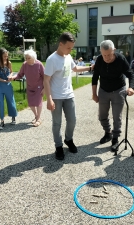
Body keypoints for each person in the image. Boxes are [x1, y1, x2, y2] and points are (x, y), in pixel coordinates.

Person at [44, 32, 93, 160]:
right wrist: (49, 99)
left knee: (72, 120)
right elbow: (46, 80)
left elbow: (75, 68)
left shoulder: (68, 56)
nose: (70, 50)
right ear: (61, 44)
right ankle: (58, 146)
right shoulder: (52, 59)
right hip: (56, 96)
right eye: (68, 47)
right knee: (57, 123)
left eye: (72, 48)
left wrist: (90, 68)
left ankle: (68, 139)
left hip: (69, 95)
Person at [92, 40, 134, 151]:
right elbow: (95, 77)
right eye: (104, 55)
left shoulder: (120, 59)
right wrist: (94, 94)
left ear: (114, 50)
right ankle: (108, 133)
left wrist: (131, 87)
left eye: (109, 55)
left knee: (117, 117)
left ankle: (115, 138)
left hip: (118, 90)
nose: (106, 58)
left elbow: (131, 74)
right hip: (103, 90)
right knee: (102, 116)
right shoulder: (99, 60)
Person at [13, 49, 45, 127]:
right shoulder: (25, 64)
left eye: (28, 58)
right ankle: (37, 116)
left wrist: (44, 88)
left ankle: (38, 119)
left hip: (39, 86)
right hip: (30, 87)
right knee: (31, 104)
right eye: (26, 58)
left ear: (34, 58)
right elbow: (20, 74)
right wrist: (13, 78)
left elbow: (45, 77)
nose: (27, 60)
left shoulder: (39, 64)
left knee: (38, 103)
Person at [0, 48, 18, 130]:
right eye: (4, 56)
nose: (6, 58)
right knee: (0, 103)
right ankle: (2, 121)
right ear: (0, 55)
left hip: (8, 85)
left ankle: (13, 117)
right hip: (0, 85)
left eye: (7, 56)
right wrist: (3, 80)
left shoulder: (9, 63)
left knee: (11, 101)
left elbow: (11, 71)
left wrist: (10, 76)